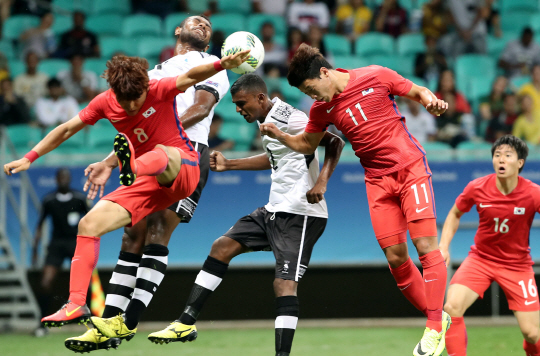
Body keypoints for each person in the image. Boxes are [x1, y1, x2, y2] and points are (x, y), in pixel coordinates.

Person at [3, 49, 249, 331]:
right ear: (113, 92)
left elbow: (192, 75)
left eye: (137, 98)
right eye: (125, 100)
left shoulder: (158, 88)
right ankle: (75, 303)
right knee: (88, 223)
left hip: (182, 169)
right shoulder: (105, 102)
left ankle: (131, 165)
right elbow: (67, 129)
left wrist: (221, 65)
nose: (131, 106)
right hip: (144, 182)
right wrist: (29, 157)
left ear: (145, 86)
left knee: (162, 151)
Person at [260, 43, 451, 356]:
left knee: (426, 247)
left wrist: (431, 100)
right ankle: (438, 318)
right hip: (376, 181)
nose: (312, 98)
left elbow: (417, 91)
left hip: (410, 169)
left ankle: (432, 328)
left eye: (311, 89)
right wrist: (281, 136)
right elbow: (308, 143)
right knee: (395, 259)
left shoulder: (376, 75)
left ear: (324, 73)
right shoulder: (321, 110)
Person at [63, 16, 232, 352]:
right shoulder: (153, 72)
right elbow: (133, 128)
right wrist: (109, 162)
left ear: (210, 41)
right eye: (194, 21)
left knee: (157, 230)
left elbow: (200, 108)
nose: (202, 24)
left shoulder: (211, 65)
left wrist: (166, 133)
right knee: (131, 234)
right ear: (177, 31)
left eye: (207, 25)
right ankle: (107, 323)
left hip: (186, 154)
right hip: (152, 155)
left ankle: (128, 322)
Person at [145, 74, 344, 356]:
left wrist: (321, 182)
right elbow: (276, 157)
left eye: (242, 103)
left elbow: (335, 142)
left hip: (301, 213)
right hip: (274, 209)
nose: (238, 110)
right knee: (221, 247)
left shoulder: (292, 118)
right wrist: (231, 164)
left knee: (284, 284)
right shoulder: (267, 120)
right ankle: (186, 323)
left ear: (260, 98)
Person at [440, 135, 540, 356]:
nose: (501, 160)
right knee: (451, 308)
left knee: (532, 334)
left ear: (520, 162)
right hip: (480, 260)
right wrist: (443, 246)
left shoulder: (534, 193)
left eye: (507, 155)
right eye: (497, 155)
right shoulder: (477, 187)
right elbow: (455, 213)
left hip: (518, 266)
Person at [32, 168, 91, 337]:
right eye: (61, 177)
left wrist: (89, 246)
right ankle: (42, 325)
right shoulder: (49, 200)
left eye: (66, 177)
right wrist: (35, 250)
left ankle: (92, 323)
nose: (64, 180)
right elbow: (40, 225)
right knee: (45, 282)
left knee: (88, 283)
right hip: (56, 244)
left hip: (76, 243)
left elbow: (91, 220)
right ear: (56, 179)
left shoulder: (79, 198)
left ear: (70, 179)